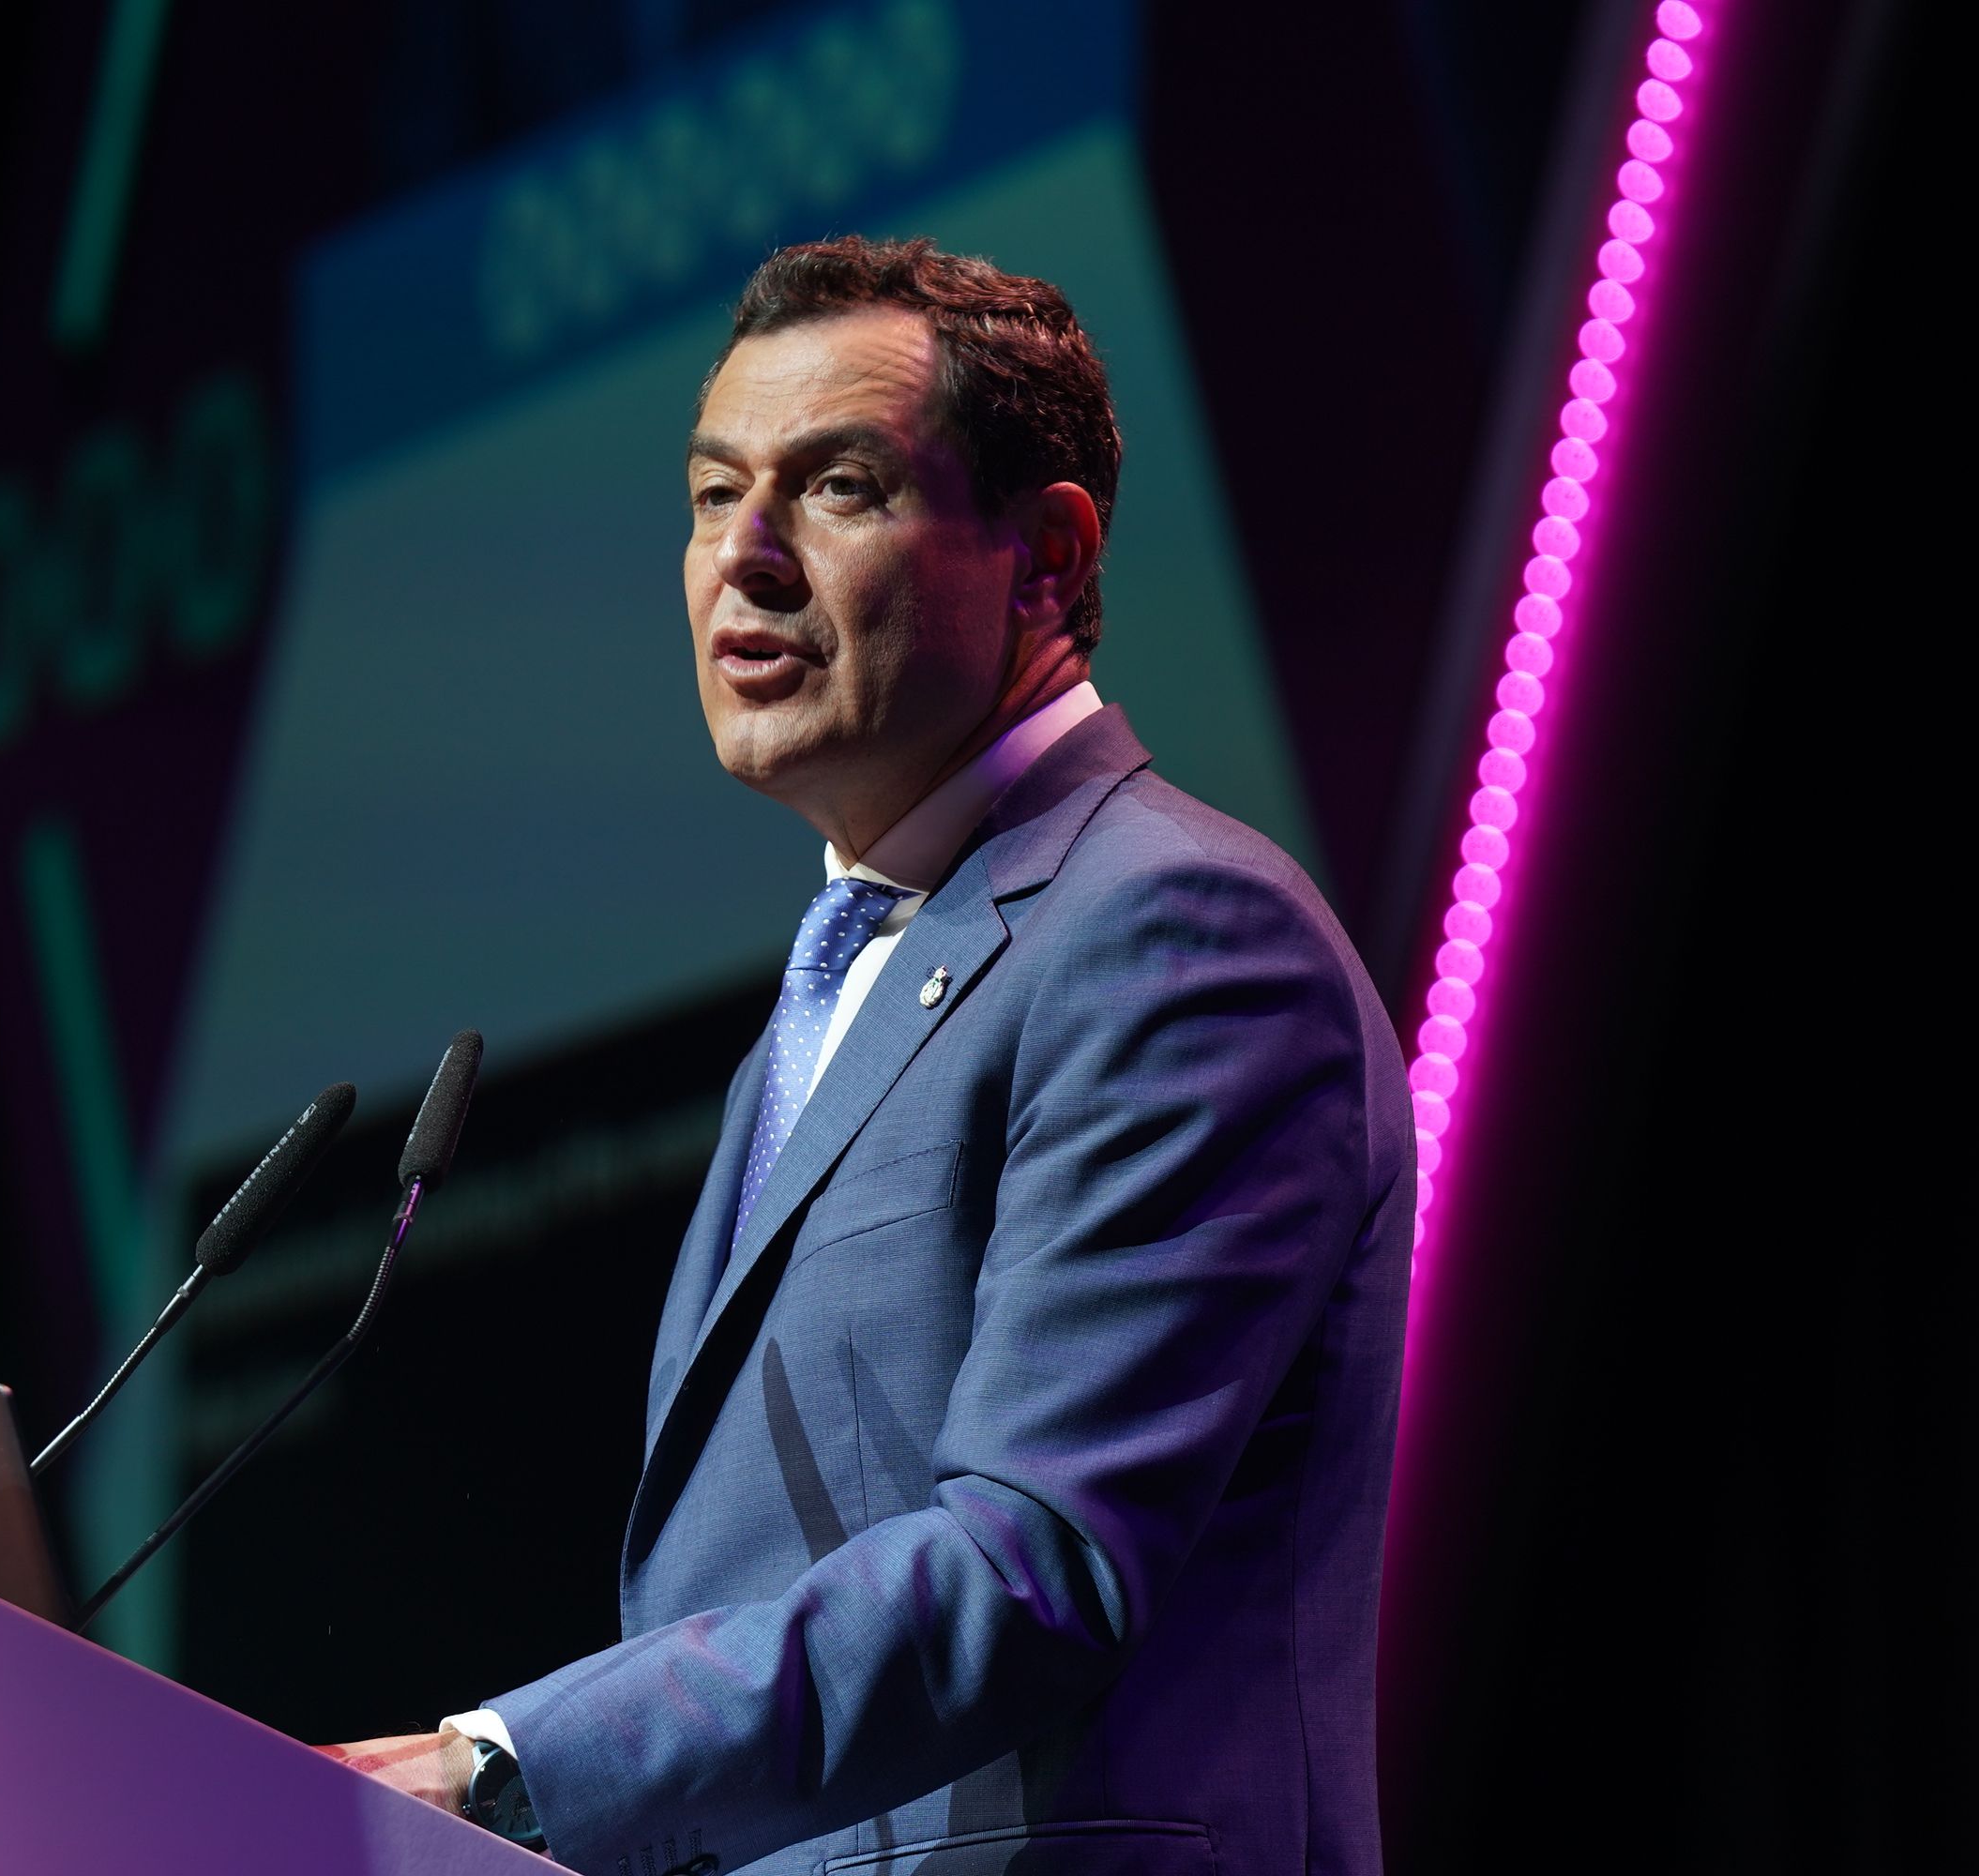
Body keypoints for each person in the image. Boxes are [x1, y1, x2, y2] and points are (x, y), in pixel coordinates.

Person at [327, 236, 1412, 1876]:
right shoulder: (857, 965)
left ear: (1045, 558)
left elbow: (1036, 1559)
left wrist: (501, 1768)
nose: (744, 561)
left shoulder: (1173, 933)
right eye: (710, 498)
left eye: (834, 487)